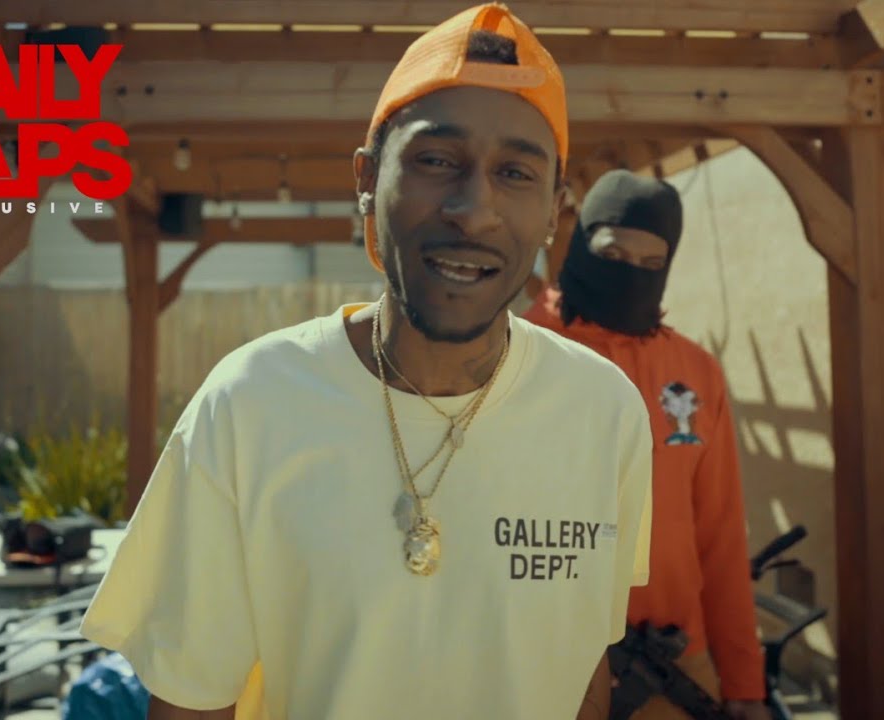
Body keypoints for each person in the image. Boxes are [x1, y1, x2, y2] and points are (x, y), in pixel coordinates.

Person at [78, 5, 655, 720]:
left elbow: (584, 664)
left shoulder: (603, 411)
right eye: (436, 160)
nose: (474, 210)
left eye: (515, 173)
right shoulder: (251, 405)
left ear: (553, 210)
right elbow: (192, 701)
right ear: (368, 177)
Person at [523, 169, 770, 720]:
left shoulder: (694, 372)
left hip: (674, 668)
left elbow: (721, 533)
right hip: (541, 667)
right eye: (612, 254)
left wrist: (744, 683)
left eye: (650, 263)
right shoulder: (515, 353)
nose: (629, 274)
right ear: (582, 242)